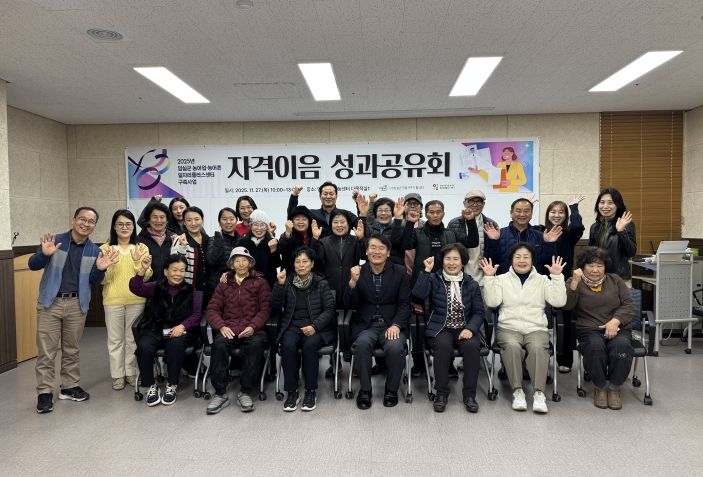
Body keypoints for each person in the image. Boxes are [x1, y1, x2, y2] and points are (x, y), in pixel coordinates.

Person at [30, 207, 118, 414]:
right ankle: (44, 392)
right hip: (50, 303)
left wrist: (101, 269)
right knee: (47, 351)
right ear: (74, 220)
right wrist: (43, 254)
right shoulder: (55, 241)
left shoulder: (94, 250)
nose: (86, 224)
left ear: (95, 226)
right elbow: (33, 265)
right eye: (82, 219)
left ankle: (69, 386)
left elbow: (94, 280)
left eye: (91, 221)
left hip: (77, 304)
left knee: (72, 349)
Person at [481, 243, 566, 414]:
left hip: (536, 328)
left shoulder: (543, 280)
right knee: (512, 346)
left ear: (532, 260)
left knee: (537, 348)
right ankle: (517, 391)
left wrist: (557, 277)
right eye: (517, 257)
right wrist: (489, 278)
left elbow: (558, 302)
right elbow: (492, 302)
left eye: (526, 257)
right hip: (509, 328)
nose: (522, 260)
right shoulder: (501, 279)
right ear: (511, 260)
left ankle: (539, 393)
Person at [411, 244, 484, 413]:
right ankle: (441, 393)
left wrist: (471, 328)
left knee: (472, 346)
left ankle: (469, 395)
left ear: (463, 262)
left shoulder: (471, 284)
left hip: (464, 328)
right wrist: (426, 271)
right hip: (440, 327)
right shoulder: (434, 279)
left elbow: (479, 312)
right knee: (443, 346)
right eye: (448, 259)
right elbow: (417, 295)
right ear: (442, 261)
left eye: (456, 259)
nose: (452, 263)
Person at [344, 234, 411, 410]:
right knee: (361, 345)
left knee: (395, 348)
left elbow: (405, 304)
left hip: (391, 324)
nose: (377, 252)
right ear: (366, 251)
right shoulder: (358, 271)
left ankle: (391, 390)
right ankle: (365, 391)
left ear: (388, 253)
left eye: (381, 248)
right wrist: (352, 283)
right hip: (366, 325)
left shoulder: (400, 272)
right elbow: (349, 304)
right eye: (372, 247)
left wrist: (396, 325)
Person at [563, 247, 634, 410]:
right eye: (590, 265)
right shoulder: (574, 281)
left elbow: (629, 304)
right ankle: (600, 386)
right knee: (595, 347)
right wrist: (574, 283)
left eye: (599, 266)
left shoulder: (615, 280)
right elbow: (567, 306)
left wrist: (615, 321)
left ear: (605, 267)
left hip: (618, 327)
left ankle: (615, 387)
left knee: (621, 346)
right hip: (589, 328)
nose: (595, 270)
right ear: (582, 267)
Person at [129, 254, 202, 407]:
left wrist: (183, 326)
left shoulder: (191, 290)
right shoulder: (155, 286)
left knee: (175, 346)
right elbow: (135, 287)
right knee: (143, 346)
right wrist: (142, 269)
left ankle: (172, 385)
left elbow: (196, 315)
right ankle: (151, 386)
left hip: (179, 329)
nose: (178, 274)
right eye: (174, 270)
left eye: (182, 270)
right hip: (155, 328)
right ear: (166, 271)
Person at [205, 247, 271, 414]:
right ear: (231, 265)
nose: (241, 264)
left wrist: (253, 326)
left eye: (244, 260)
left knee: (255, 345)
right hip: (229, 328)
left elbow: (265, 309)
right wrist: (221, 326)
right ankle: (220, 393)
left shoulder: (260, 282)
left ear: (250, 263)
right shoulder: (224, 283)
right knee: (219, 345)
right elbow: (212, 309)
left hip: (253, 329)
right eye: (237, 261)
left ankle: (245, 391)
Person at [271, 247, 336, 412]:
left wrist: (315, 326)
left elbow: (329, 309)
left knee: (310, 346)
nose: (301, 265)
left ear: (312, 264)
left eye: (305, 261)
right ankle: (292, 392)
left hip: (317, 328)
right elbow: (275, 306)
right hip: (292, 326)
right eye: (297, 262)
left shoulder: (321, 283)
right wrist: (279, 285)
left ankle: (310, 391)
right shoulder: (287, 282)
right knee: (287, 345)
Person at [100, 209, 152, 391]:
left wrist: (137, 262)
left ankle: (130, 372)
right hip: (113, 301)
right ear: (114, 227)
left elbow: (146, 276)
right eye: (120, 224)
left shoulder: (141, 248)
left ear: (133, 227)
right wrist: (110, 265)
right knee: (115, 340)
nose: (124, 227)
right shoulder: (105, 249)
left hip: (136, 300)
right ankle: (117, 375)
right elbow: (102, 280)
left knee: (131, 339)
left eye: (128, 224)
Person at [538, 196, 586, 373]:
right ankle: (540, 356)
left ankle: (564, 360)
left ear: (565, 215)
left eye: (561, 212)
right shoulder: (539, 232)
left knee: (564, 322)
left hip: (563, 282)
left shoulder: (569, 234)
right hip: (541, 282)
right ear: (547, 214)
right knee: (540, 321)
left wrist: (573, 207)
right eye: (553, 212)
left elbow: (578, 226)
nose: (556, 215)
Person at [484, 197, 561, 276]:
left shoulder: (541, 236)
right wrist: (493, 241)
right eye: (518, 211)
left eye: (526, 211)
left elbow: (548, 264)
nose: (522, 214)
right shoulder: (499, 235)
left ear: (531, 214)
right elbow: (491, 263)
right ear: (511, 213)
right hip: (505, 281)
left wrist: (549, 244)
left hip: (534, 281)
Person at [311, 209, 365, 309]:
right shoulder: (324, 242)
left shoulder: (355, 241)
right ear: (331, 224)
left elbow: (365, 256)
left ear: (348, 224)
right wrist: (315, 239)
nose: (339, 225)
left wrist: (361, 239)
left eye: (342, 222)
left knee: (352, 313)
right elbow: (315, 259)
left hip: (351, 285)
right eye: (335, 222)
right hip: (330, 287)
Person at [588, 188, 637, 286]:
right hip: (598, 277)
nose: (605, 206)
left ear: (617, 205)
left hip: (619, 279)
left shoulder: (627, 224)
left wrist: (621, 231)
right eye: (602, 202)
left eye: (610, 203)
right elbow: (590, 254)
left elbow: (631, 252)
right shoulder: (595, 227)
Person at [287, 182, 358, 238]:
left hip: (342, 250)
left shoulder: (346, 214)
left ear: (336, 196)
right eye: (325, 194)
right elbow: (292, 216)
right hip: (317, 250)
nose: (328, 196)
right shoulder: (312, 214)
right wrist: (294, 195)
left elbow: (360, 225)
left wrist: (359, 206)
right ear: (320, 196)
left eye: (331, 194)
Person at [237, 209, 281, 288]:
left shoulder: (272, 242)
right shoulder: (242, 242)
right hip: (248, 285)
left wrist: (273, 250)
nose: (259, 228)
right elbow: (236, 262)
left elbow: (277, 265)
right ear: (251, 226)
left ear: (266, 227)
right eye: (256, 224)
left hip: (268, 284)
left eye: (262, 225)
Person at [171, 206, 210, 293]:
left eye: (197, 219)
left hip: (209, 289)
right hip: (189, 290)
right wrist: (183, 247)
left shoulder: (208, 239)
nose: (193, 223)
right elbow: (175, 265)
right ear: (184, 222)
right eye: (189, 220)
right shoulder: (179, 239)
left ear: (202, 220)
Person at [205, 207, 239, 305]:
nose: (228, 222)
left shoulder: (241, 240)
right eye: (224, 219)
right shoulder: (214, 239)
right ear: (219, 222)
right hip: (217, 288)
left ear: (236, 221)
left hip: (238, 288)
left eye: (231, 219)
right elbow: (212, 261)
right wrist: (219, 239)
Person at [137, 201, 174, 283]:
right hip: (147, 287)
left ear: (167, 220)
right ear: (148, 220)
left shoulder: (174, 239)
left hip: (169, 286)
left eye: (162, 217)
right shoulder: (139, 240)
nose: (158, 220)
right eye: (154, 217)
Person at [278, 205, 314, 274]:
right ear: (292, 222)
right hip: (290, 276)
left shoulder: (313, 235)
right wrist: (287, 234)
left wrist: (315, 239)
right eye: (297, 219)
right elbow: (282, 250)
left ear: (309, 222)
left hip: (310, 276)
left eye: (304, 219)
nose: (301, 222)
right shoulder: (287, 235)